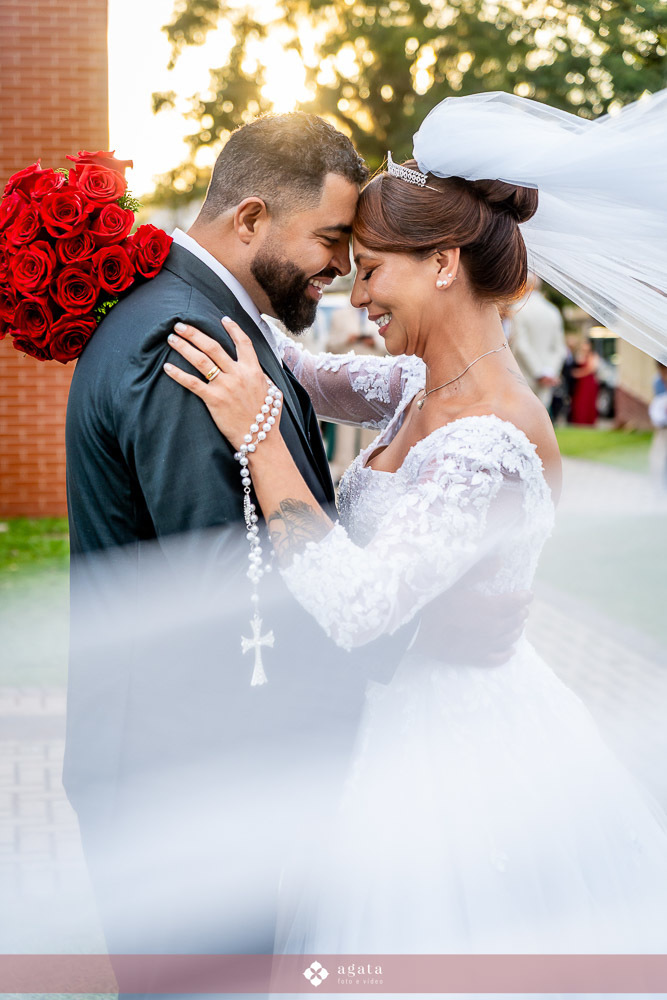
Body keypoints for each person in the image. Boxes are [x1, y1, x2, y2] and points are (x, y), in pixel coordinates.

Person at [165, 140, 667, 970]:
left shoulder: (492, 440)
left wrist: (259, 436)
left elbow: (360, 606)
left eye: (370, 271)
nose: (356, 296)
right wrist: (192, 272)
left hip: (454, 751)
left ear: (441, 264)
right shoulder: (414, 385)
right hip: (381, 715)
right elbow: (296, 366)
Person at [63, 111, 523, 998]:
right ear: (249, 221)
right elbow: (227, 599)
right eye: (327, 239)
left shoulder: (214, 322)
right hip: (184, 788)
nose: (340, 271)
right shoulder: (185, 347)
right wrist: (420, 631)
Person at [509, 276, 567, 413]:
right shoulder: (553, 311)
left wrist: (539, 373)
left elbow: (521, 346)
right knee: (542, 416)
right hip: (547, 375)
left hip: (524, 374)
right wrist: (550, 372)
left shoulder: (518, 309)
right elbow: (559, 348)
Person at [569, 337, 600, 425]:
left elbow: (590, 368)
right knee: (579, 401)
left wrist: (578, 374)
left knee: (587, 401)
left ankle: (588, 421)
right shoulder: (581, 355)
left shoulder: (592, 355)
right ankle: (578, 420)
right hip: (581, 383)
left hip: (588, 382)